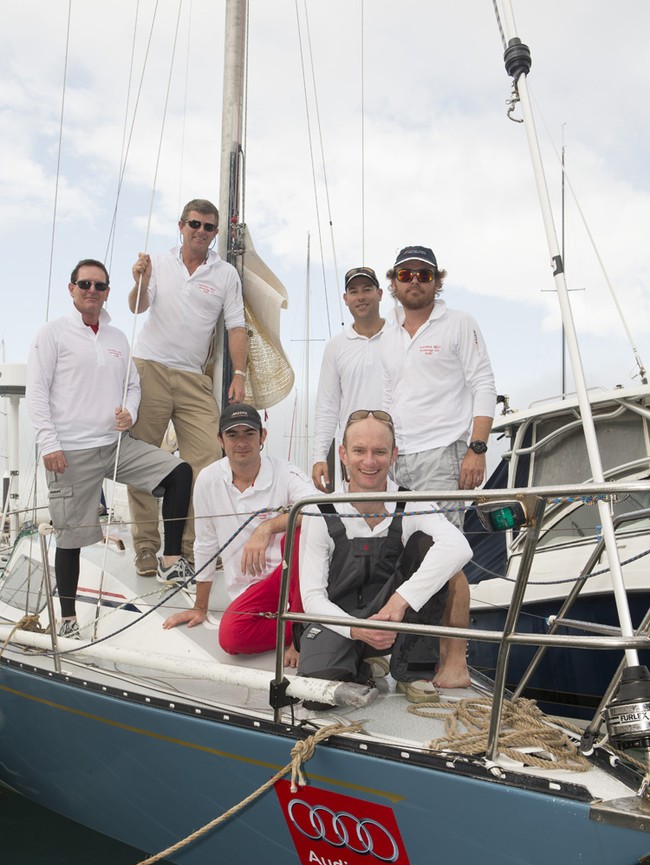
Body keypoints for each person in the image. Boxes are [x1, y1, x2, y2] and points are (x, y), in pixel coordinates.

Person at [26, 258, 194, 638]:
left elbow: (132, 386)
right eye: (84, 284)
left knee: (179, 472)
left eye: (99, 286)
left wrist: (130, 413)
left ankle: (169, 559)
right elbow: (36, 393)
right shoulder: (51, 334)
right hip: (70, 451)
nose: (92, 291)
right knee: (70, 537)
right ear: (71, 289)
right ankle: (67, 619)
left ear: (107, 293)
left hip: (117, 444)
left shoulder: (117, 338)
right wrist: (49, 444)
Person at [382, 244, 497, 689]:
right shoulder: (386, 331)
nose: (415, 281)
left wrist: (477, 447)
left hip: (443, 454)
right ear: (393, 281)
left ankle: (455, 662)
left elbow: (483, 383)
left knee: (447, 557)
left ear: (437, 280)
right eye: (406, 274)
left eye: (424, 275)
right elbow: (391, 393)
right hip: (397, 459)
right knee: (409, 555)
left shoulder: (459, 323)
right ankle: (411, 655)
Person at [298, 410, 472, 703]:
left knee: (431, 548)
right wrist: (355, 628)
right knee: (320, 696)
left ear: (394, 455)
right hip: (338, 622)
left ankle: (413, 669)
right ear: (343, 454)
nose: (369, 461)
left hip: (393, 621)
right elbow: (312, 598)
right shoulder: (319, 511)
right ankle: (362, 664)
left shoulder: (413, 503)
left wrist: (399, 601)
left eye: (379, 451)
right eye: (359, 451)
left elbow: (459, 547)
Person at [127, 198, 249, 577]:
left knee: (209, 459)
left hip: (195, 377)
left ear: (214, 233)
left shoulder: (225, 274)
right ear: (181, 226)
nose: (201, 231)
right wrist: (139, 281)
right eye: (194, 224)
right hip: (149, 368)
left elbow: (236, 327)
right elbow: (136, 307)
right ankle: (146, 548)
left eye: (209, 227)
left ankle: (187, 547)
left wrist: (239, 374)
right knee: (142, 459)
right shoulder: (158, 263)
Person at [163, 403, 315, 666]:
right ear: (220, 440)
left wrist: (266, 527)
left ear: (262, 437)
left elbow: (318, 507)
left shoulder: (284, 472)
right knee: (232, 639)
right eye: (233, 435)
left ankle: (301, 632)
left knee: (305, 528)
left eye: (249, 433)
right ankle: (311, 625)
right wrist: (201, 606)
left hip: (290, 578)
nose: (241, 442)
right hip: (251, 590)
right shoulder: (209, 479)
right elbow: (206, 543)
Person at [311, 266, 391, 492]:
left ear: (380, 294)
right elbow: (327, 405)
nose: (361, 297)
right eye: (354, 292)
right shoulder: (335, 346)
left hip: (394, 452)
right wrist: (319, 457)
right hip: (354, 455)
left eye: (367, 289)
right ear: (346, 299)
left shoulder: (399, 337)